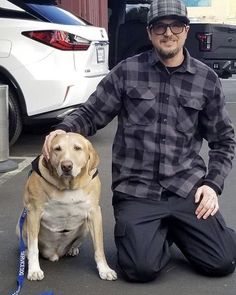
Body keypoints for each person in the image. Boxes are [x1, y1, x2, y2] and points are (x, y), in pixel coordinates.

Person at [43, 0, 236, 282]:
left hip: (186, 189)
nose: (167, 33)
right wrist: (61, 130)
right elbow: (91, 113)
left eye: (175, 25)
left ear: (186, 30)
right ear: (149, 32)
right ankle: (159, 231)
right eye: (159, 26)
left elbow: (224, 140)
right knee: (139, 269)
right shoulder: (126, 72)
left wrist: (211, 185)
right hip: (137, 189)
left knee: (222, 261)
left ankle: (190, 229)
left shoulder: (206, 80)